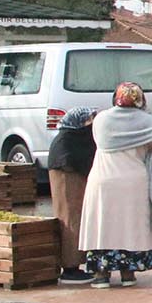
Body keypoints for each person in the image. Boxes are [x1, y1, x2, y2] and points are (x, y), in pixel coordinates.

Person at [79, 84, 152, 288]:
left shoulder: (102, 119)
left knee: (102, 224)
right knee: (130, 225)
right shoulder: (146, 120)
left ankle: (101, 273)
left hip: (103, 178)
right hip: (134, 180)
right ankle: (128, 273)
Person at [47, 106, 97, 284]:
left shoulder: (70, 137)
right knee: (70, 221)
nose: (91, 124)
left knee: (75, 220)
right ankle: (70, 267)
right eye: (88, 120)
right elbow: (72, 159)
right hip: (67, 178)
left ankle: (74, 264)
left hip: (70, 177)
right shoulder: (69, 140)